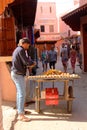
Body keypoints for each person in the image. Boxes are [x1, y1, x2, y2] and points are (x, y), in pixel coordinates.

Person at [11, 37, 33, 122]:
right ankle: (21, 115)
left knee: (19, 93)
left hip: (16, 73)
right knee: (22, 93)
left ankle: (21, 110)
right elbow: (26, 62)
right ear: (24, 44)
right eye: (28, 45)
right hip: (18, 74)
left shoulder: (18, 49)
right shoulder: (21, 50)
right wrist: (32, 63)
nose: (28, 46)